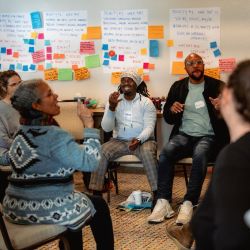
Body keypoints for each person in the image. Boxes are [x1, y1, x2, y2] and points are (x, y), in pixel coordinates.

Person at [2, 79, 114, 250]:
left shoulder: (21, 130)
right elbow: (91, 163)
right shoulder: (54, 135)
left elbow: (18, 156)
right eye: (49, 94)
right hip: (42, 208)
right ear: (37, 106)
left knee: (77, 201)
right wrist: (89, 125)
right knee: (98, 205)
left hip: (15, 208)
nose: (56, 96)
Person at [166, 59, 250, 250]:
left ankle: (189, 230)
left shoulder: (236, 158)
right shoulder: (235, 154)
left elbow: (228, 238)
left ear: (229, 97)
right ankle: (188, 231)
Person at [148, 53, 229, 225]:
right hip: (184, 135)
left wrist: (220, 109)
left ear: (203, 65)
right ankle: (163, 201)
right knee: (166, 153)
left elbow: (231, 117)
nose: (196, 66)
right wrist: (172, 109)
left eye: (199, 62)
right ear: (186, 69)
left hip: (209, 136)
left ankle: (189, 202)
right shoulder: (178, 87)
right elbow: (169, 118)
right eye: (191, 63)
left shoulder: (218, 86)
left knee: (200, 154)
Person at [89, 71, 158, 202]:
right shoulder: (114, 101)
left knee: (148, 153)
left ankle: (157, 194)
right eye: (123, 80)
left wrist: (138, 139)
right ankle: (96, 195)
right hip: (119, 140)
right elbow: (107, 128)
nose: (126, 82)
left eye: (130, 80)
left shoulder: (146, 102)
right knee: (100, 151)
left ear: (136, 84)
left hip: (143, 141)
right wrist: (111, 108)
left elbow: (149, 127)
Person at [0, 70, 22, 202]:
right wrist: (25, 146)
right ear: (4, 87)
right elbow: (2, 140)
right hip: (4, 153)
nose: (19, 86)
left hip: (21, 147)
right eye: (14, 84)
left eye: (20, 83)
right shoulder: (1, 108)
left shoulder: (21, 104)